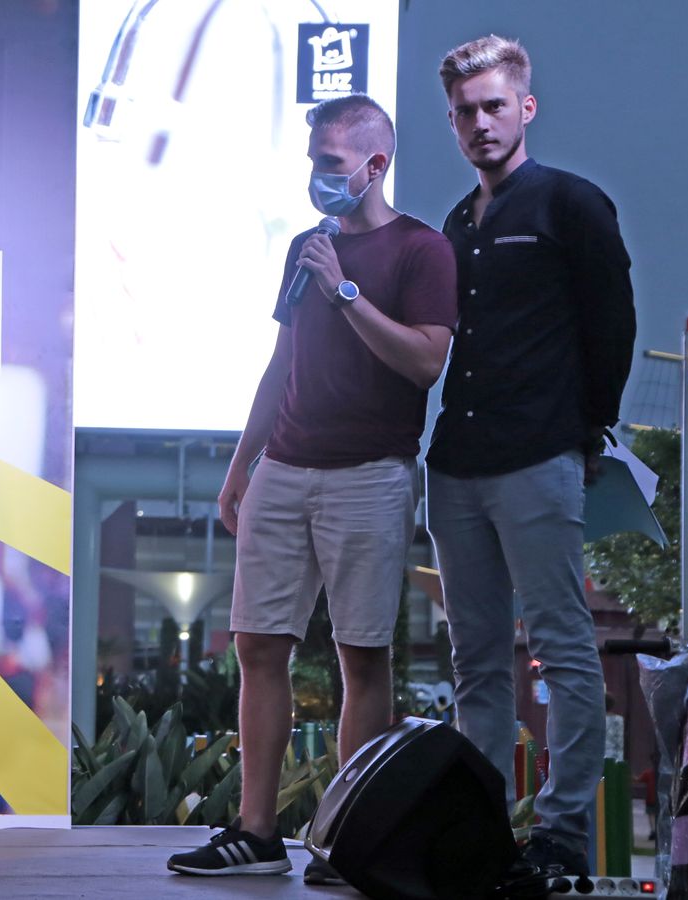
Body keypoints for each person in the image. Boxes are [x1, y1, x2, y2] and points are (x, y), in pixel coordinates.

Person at [167, 94, 456, 883]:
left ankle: (350, 836)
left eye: (330, 165)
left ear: (375, 165)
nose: (317, 178)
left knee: (362, 656)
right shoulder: (306, 244)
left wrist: (346, 291)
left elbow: (427, 362)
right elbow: (281, 364)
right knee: (259, 645)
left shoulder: (421, 250)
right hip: (284, 469)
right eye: (312, 163)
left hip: (372, 472)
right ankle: (257, 833)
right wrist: (241, 464)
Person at [427, 35, 635, 878]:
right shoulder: (454, 223)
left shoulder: (571, 204)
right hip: (454, 465)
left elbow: (611, 326)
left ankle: (559, 836)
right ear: (453, 122)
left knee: (562, 648)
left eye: (494, 107)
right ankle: (481, 833)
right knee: (475, 663)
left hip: (538, 459)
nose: (481, 123)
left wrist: (588, 432)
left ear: (525, 108)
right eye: (465, 112)